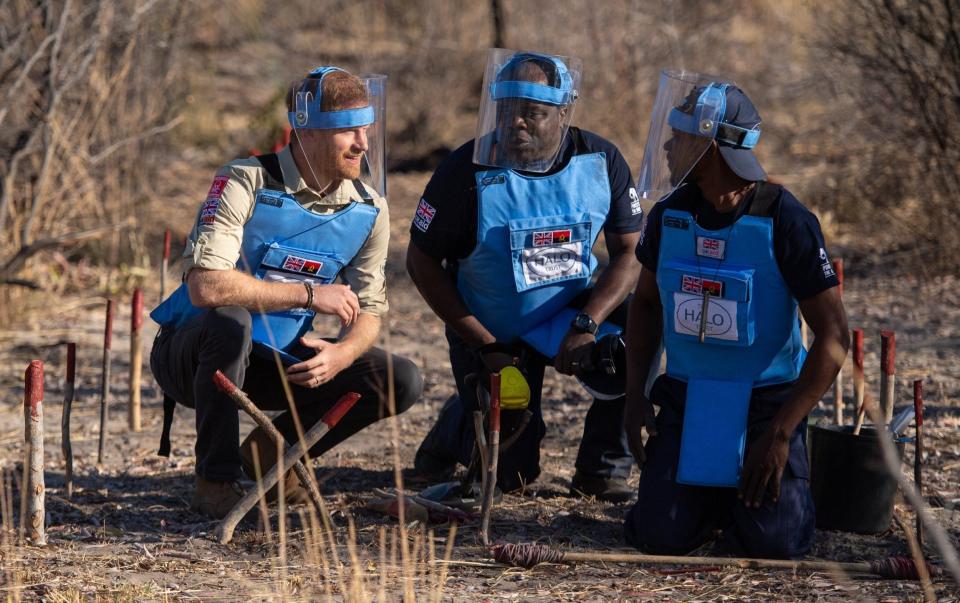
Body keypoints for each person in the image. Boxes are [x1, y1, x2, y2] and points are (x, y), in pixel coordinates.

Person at [150, 66, 422, 519]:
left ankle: (270, 456)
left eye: (365, 129)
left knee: (399, 378)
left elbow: (371, 308)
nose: (362, 143)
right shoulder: (245, 181)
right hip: (195, 353)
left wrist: (342, 355)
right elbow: (206, 286)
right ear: (306, 130)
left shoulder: (369, 210)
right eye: (347, 131)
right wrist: (312, 296)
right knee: (230, 320)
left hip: (276, 359)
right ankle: (215, 482)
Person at [622, 72, 848, 558]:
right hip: (687, 397)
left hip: (767, 406)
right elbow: (643, 303)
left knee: (777, 544)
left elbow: (833, 336)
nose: (666, 147)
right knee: (660, 536)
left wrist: (782, 433)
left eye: (680, 136)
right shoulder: (670, 215)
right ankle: (708, 500)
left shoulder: (786, 221)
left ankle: (770, 494)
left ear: (713, 148)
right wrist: (635, 393)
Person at [407, 50, 643, 502]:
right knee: (512, 478)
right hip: (492, 327)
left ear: (563, 112)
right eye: (507, 111)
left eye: (532, 113)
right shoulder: (465, 170)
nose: (516, 123)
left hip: (569, 314)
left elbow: (630, 252)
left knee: (641, 331)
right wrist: (484, 344)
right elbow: (420, 264)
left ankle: (602, 468)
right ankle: (454, 428)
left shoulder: (600, 159)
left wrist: (588, 323)